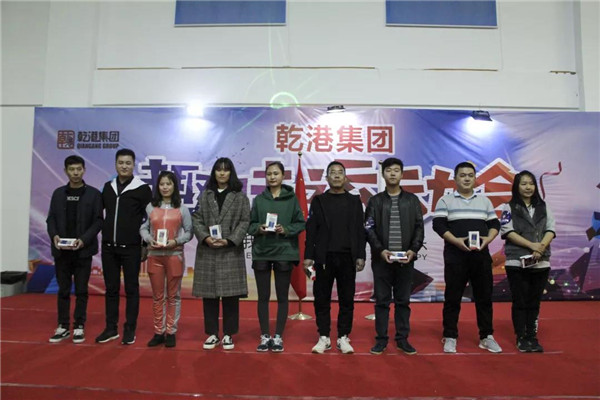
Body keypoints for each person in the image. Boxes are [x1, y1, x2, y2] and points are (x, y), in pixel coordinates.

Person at [432, 161, 502, 353]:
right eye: (462, 175)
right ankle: (450, 335)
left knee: (484, 297)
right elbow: (438, 225)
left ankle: (486, 336)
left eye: (470, 175)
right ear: (455, 179)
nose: (466, 178)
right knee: (452, 297)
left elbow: (494, 224)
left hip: (481, 256)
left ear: (475, 178)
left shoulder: (484, 201)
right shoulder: (446, 200)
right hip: (455, 256)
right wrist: (456, 241)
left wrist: (488, 239)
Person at [303, 161, 366, 354]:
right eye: (333, 172)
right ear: (327, 178)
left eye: (340, 172)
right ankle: (324, 337)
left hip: (347, 257)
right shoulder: (319, 201)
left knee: (347, 299)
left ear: (345, 178)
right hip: (324, 258)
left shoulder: (354, 201)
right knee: (321, 299)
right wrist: (308, 256)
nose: (337, 175)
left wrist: (361, 255)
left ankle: (343, 337)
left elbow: (360, 230)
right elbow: (311, 231)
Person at [365, 158, 424, 355]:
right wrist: (380, 250)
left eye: (396, 170)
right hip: (382, 259)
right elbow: (369, 228)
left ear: (402, 174)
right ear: (383, 174)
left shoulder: (412, 200)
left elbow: (419, 227)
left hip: (406, 259)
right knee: (382, 301)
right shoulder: (375, 201)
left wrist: (413, 250)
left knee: (403, 301)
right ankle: (381, 340)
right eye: (388, 170)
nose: (392, 173)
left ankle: (402, 339)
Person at [192, 157, 250, 351]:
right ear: (214, 173)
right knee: (209, 296)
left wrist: (230, 239)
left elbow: (245, 221)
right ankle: (212, 333)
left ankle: (228, 334)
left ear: (231, 173)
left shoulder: (239, 197)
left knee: (230, 296)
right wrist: (205, 237)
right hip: (208, 251)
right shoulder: (205, 195)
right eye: (218, 169)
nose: (222, 173)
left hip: (230, 251)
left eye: (226, 170)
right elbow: (196, 219)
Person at [96, 148, 152, 345]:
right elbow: (99, 214)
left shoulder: (142, 189)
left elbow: (150, 219)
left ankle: (130, 329)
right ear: (115, 164)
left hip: (131, 248)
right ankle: (111, 328)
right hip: (109, 247)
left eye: (128, 163)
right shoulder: (108, 187)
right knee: (111, 289)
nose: (124, 166)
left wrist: (145, 244)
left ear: (133, 165)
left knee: (131, 289)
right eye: (121, 163)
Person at [248, 161, 305, 352]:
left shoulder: (292, 199)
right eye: (269, 174)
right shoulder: (259, 199)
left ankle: (278, 336)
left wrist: (285, 229)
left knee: (282, 296)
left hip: (284, 252)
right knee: (263, 296)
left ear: (283, 176)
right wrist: (259, 228)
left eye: (276, 173)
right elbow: (250, 225)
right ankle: (265, 336)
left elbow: (300, 223)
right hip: (262, 252)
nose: (272, 177)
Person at [46, 155, 103, 344]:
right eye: (72, 169)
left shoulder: (94, 194)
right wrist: (54, 236)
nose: (76, 173)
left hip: (83, 251)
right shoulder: (58, 193)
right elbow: (51, 219)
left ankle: (79, 326)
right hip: (61, 252)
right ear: (66, 171)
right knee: (63, 290)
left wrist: (84, 240)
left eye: (79, 169)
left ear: (84, 170)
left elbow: (98, 221)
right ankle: (62, 326)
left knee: (81, 290)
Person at [500, 171, 555, 352]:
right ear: (517, 186)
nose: (528, 187)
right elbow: (507, 231)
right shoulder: (509, 207)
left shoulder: (544, 206)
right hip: (516, 262)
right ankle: (521, 337)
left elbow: (551, 229)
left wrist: (540, 248)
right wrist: (532, 245)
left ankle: (532, 336)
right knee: (520, 301)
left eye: (531, 183)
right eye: (523, 184)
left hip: (541, 262)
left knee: (534, 302)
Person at [140, 171, 193, 348]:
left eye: (168, 184)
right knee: (157, 296)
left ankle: (171, 332)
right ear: (158, 186)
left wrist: (175, 241)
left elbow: (189, 232)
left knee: (173, 296)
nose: (165, 187)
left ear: (174, 186)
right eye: (162, 184)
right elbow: (143, 228)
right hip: (154, 256)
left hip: (174, 256)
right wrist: (149, 239)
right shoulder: (150, 207)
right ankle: (158, 332)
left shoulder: (182, 209)